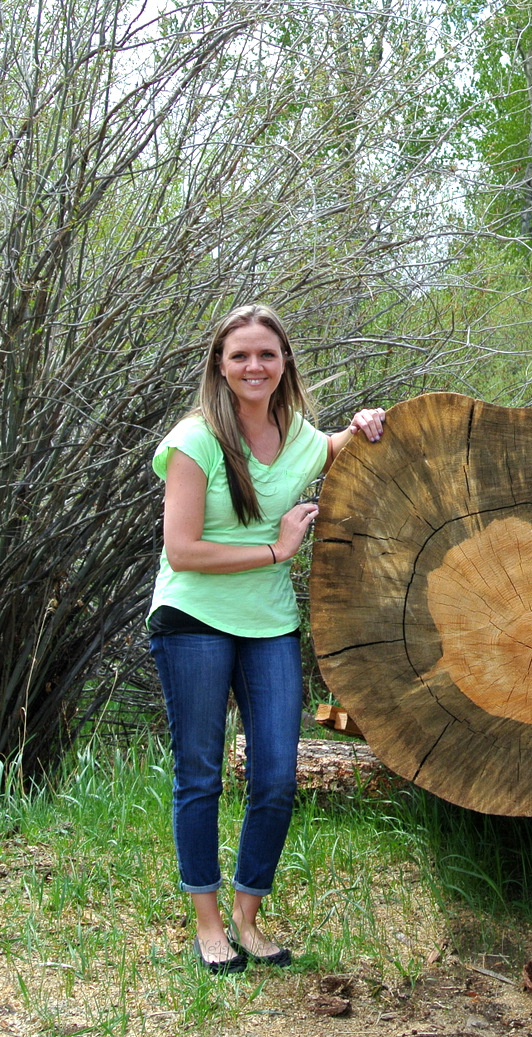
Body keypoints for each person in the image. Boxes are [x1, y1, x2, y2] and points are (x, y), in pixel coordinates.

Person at [148, 303, 386, 973]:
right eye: (240, 356)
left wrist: (362, 425)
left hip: (269, 625)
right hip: (193, 618)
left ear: (285, 365)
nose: (254, 366)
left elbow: (339, 444)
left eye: (266, 355)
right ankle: (208, 923)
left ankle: (250, 917)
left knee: (278, 775)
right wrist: (276, 550)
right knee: (199, 773)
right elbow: (183, 549)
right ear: (220, 368)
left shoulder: (300, 434)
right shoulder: (195, 439)